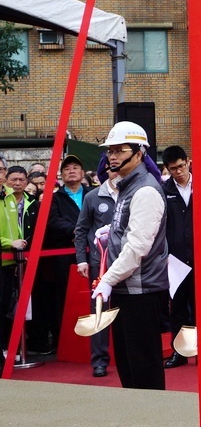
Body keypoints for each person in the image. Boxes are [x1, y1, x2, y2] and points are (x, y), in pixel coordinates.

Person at [92, 122, 170, 391]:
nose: (112, 156)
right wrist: (110, 232)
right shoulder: (127, 186)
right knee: (128, 366)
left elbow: (138, 247)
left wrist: (108, 279)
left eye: (120, 149)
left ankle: (153, 426)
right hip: (127, 289)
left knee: (143, 369)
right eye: (109, 150)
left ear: (139, 153)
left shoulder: (145, 190)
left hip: (140, 291)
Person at [41, 154, 91, 355]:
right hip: (64, 256)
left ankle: (93, 339)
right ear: (61, 175)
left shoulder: (92, 194)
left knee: (92, 294)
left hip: (92, 252)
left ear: (82, 173)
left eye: (75, 167)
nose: (71, 170)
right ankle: (63, 342)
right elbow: (53, 221)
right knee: (64, 297)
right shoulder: (55, 198)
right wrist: (77, 232)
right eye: (67, 168)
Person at [74, 170, 118, 377]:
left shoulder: (134, 193)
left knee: (130, 309)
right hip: (99, 264)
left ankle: (128, 355)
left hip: (128, 263)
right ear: (106, 171)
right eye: (112, 168)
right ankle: (99, 360)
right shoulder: (93, 197)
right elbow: (81, 230)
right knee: (99, 311)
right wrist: (82, 259)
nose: (116, 172)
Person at [161, 146, 195, 369]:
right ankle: (179, 352)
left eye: (181, 166)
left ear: (188, 162)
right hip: (176, 260)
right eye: (173, 169)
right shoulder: (163, 190)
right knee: (178, 309)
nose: (178, 172)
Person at [0, 166, 34, 353]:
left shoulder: (9, 197)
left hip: (10, 262)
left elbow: (16, 228)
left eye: (0, 170)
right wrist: (8, 242)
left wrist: (19, 246)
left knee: (6, 308)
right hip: (5, 252)